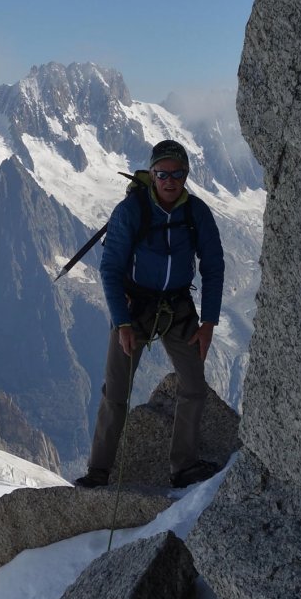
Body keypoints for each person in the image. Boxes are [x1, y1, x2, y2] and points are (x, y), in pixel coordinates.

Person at [75, 138, 225, 490]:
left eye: (177, 173)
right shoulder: (131, 211)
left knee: (194, 388)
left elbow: (214, 267)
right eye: (162, 173)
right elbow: (110, 269)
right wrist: (122, 323)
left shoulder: (197, 213)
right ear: (152, 174)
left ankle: (183, 467)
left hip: (177, 307)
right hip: (134, 308)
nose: (170, 180)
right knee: (115, 391)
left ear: (186, 175)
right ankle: (99, 472)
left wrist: (209, 323)